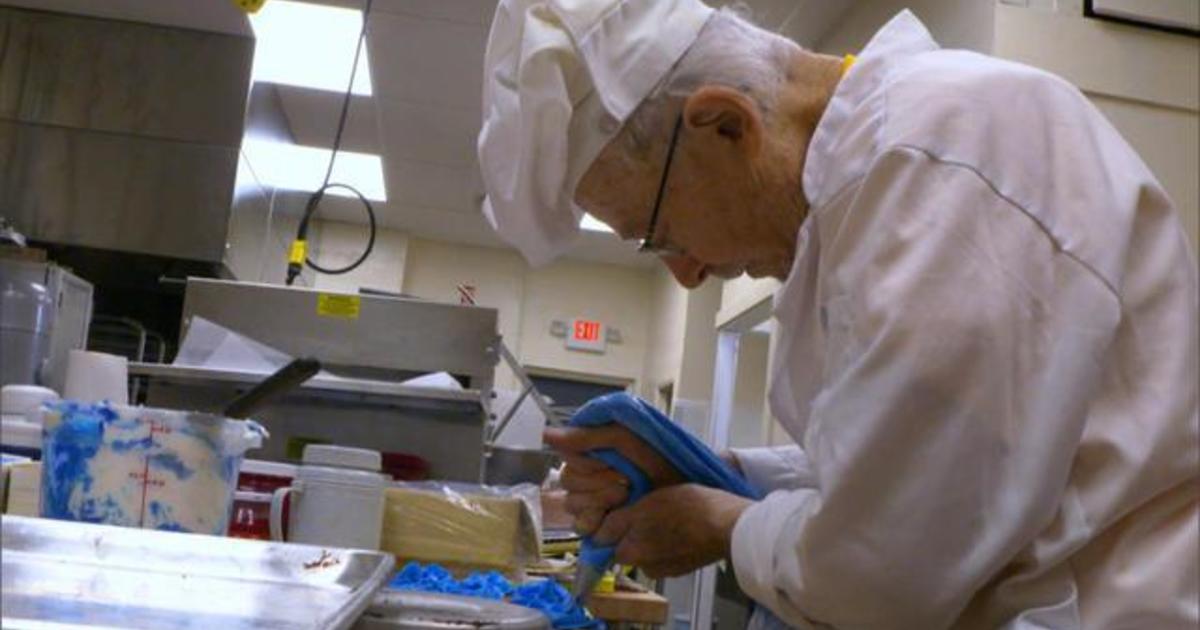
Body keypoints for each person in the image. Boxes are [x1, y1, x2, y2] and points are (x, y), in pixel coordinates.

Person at [477, 1, 1199, 628]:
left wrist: (718, 524)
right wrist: (712, 469)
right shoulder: (874, 189)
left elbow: (883, 571)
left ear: (724, 124)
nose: (687, 272)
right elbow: (914, 462)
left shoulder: (937, 163)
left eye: (657, 232)